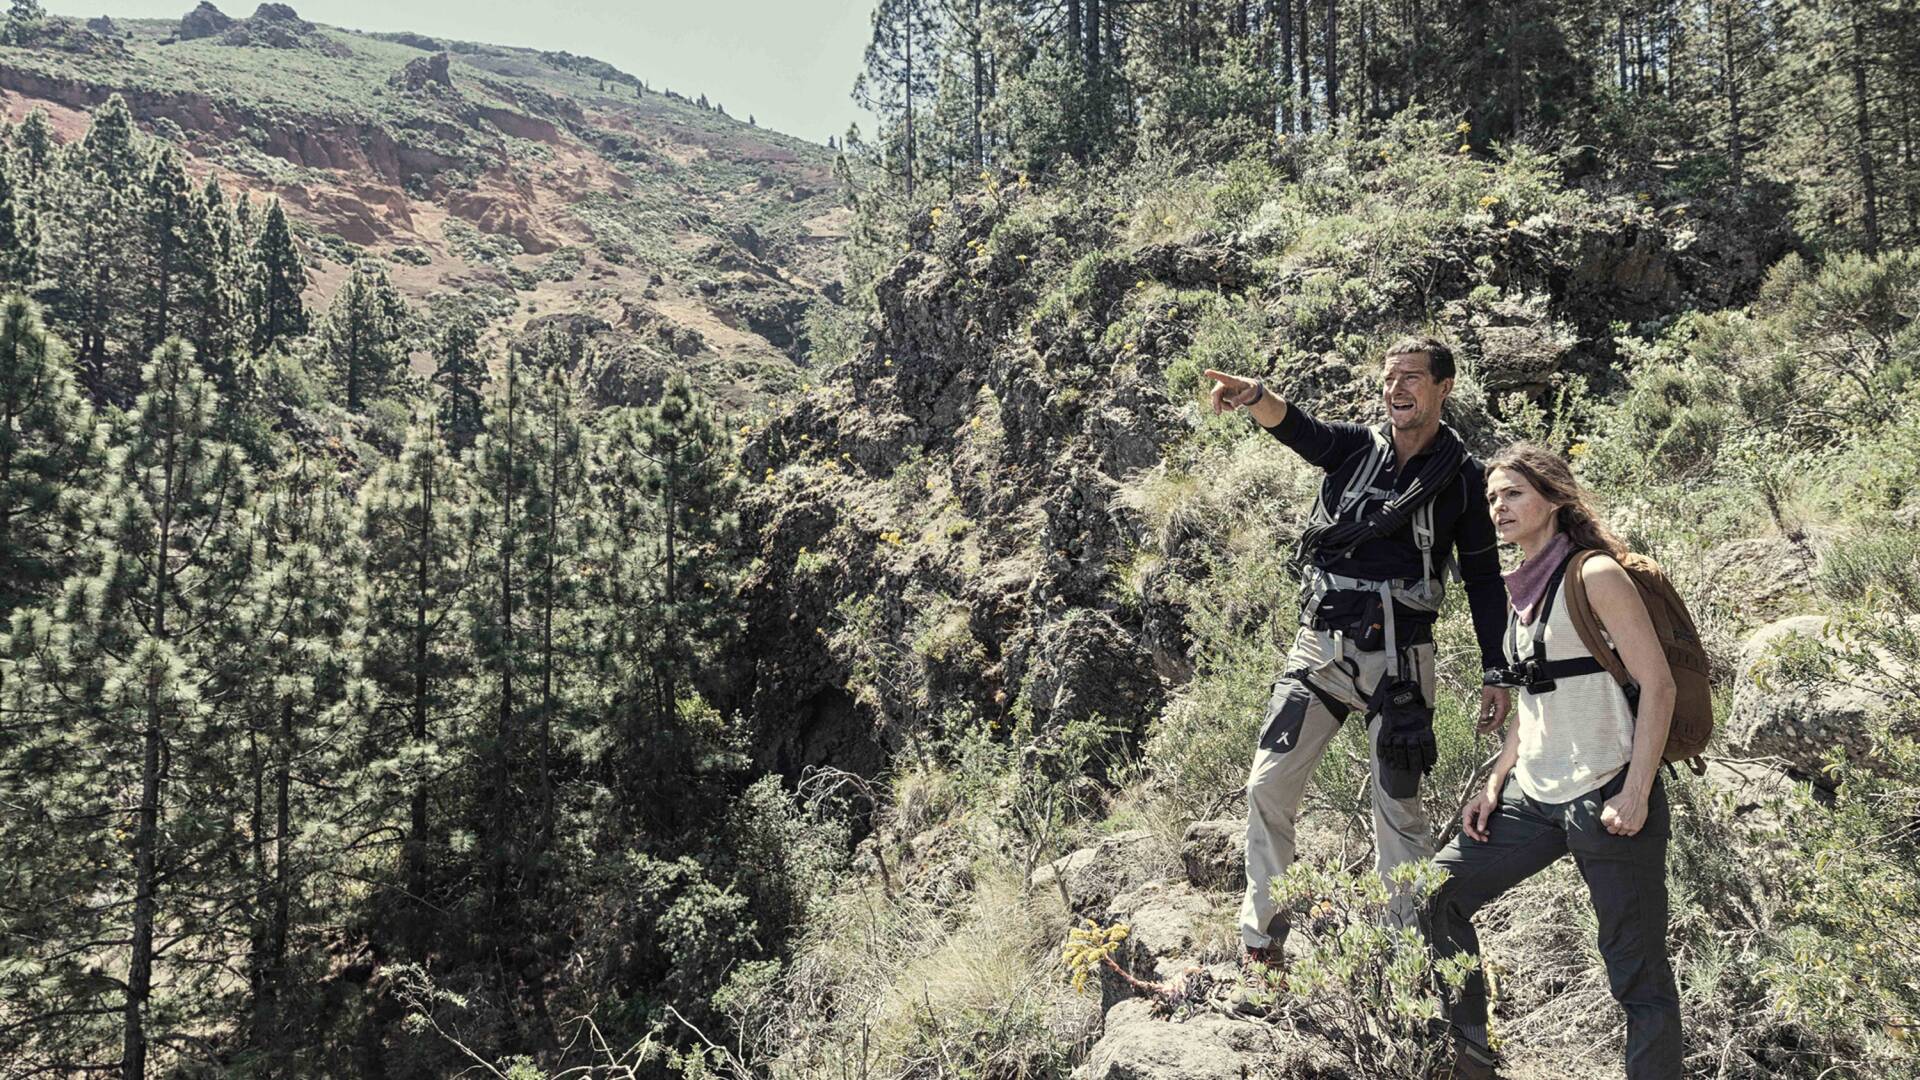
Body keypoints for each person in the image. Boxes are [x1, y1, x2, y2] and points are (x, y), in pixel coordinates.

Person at [1203, 338, 1513, 982]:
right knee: (1267, 784)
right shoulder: (1355, 450)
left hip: (1402, 661)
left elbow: (1484, 580)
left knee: (1398, 810)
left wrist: (1496, 668)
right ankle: (1263, 944)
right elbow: (1300, 431)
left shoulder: (1462, 481)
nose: (1397, 390)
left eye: (1413, 379)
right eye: (1389, 378)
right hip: (1320, 647)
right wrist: (1254, 395)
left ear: (1444, 387)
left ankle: (1408, 962)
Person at [1427, 443, 1682, 1080]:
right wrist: (1495, 781)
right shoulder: (1524, 589)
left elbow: (1660, 686)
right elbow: (1536, 698)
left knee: (1638, 973)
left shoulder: (1593, 574)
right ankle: (1474, 1059)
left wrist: (1638, 791)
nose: (1498, 507)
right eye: (1491, 498)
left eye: (1512, 493)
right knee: (1436, 894)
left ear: (1554, 497)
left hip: (1608, 792)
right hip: (1535, 796)